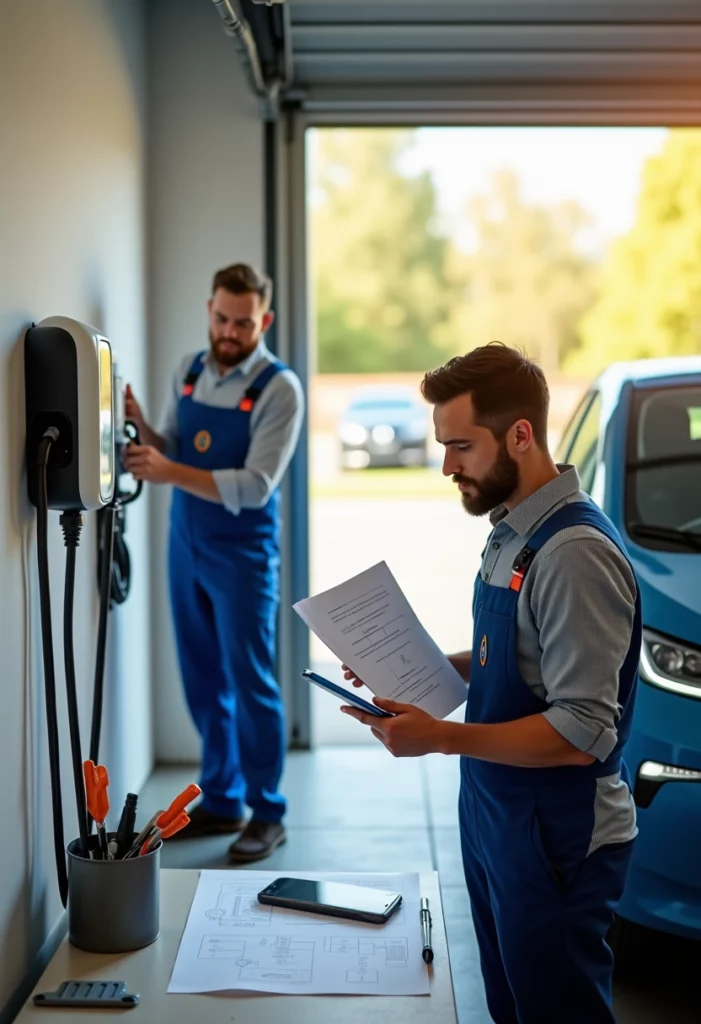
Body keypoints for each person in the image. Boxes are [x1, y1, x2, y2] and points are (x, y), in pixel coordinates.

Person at [342, 343, 640, 1024]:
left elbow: (579, 734)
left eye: (460, 446)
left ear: (520, 434)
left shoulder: (573, 556)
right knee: (511, 1005)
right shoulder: (512, 531)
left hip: (557, 835)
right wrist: (418, 670)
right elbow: (516, 659)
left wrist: (440, 737)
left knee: (554, 1010)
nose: (446, 465)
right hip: (498, 814)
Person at [123, 263, 304, 863]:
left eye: (243, 322)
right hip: (186, 544)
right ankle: (224, 797)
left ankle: (267, 811)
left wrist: (167, 471)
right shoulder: (190, 369)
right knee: (202, 677)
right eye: (222, 318)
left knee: (250, 681)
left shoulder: (280, 388)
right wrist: (143, 429)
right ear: (209, 310)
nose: (229, 331)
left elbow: (255, 486)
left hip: (243, 554)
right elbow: (173, 445)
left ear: (265, 321)